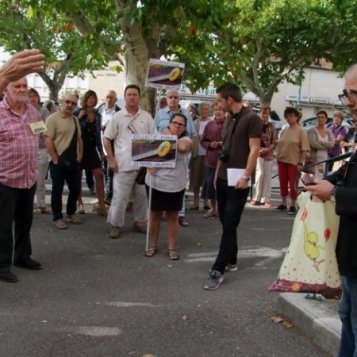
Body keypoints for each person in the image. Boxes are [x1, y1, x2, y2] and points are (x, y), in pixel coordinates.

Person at [305, 63, 357, 357]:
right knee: (347, 319)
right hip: (350, 255)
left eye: (355, 94)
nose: (349, 101)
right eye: (346, 94)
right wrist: (324, 181)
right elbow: (349, 169)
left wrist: (334, 192)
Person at [203, 83, 262, 290]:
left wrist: (246, 176)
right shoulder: (229, 118)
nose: (216, 104)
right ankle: (232, 259)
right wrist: (217, 173)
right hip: (223, 178)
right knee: (226, 221)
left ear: (229, 100)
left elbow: (255, 150)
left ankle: (218, 269)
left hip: (239, 180)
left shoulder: (252, 119)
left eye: (219, 100)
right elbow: (225, 149)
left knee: (229, 224)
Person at [0, 76, 44, 283]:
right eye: (17, 86)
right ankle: (2, 265)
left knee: (25, 222)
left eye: (25, 86)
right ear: (6, 89)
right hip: (5, 179)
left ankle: (22, 256)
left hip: (28, 177)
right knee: (3, 226)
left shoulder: (33, 112)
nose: (22, 89)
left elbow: (40, 135)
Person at [103, 84, 156, 239]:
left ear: (139, 97)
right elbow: (106, 139)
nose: (132, 97)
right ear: (125, 97)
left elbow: (154, 139)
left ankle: (139, 222)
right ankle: (115, 225)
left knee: (142, 198)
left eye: (135, 94)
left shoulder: (146, 117)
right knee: (119, 198)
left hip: (142, 167)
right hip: (122, 165)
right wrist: (111, 159)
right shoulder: (118, 117)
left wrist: (152, 163)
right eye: (129, 94)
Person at [144, 113, 192, 260]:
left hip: (175, 185)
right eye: (175, 123)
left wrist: (168, 136)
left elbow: (183, 148)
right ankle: (152, 245)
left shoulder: (186, 139)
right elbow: (145, 155)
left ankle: (171, 248)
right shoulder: (157, 136)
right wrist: (148, 166)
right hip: (155, 182)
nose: (177, 126)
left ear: (184, 128)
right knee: (155, 214)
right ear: (169, 123)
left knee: (173, 216)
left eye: (181, 124)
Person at [154, 90, 197, 227]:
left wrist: (192, 152)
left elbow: (193, 134)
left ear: (179, 99)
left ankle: (181, 214)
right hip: (162, 155)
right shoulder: (160, 114)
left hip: (182, 154)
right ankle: (159, 212)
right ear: (166, 99)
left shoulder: (186, 114)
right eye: (170, 97)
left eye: (176, 97)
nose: (173, 99)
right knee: (161, 182)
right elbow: (153, 132)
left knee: (180, 183)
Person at [45, 93, 83, 229]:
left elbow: (79, 139)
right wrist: (54, 158)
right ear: (62, 101)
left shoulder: (74, 120)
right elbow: (48, 139)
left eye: (73, 103)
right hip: (58, 161)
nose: (70, 105)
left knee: (75, 188)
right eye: (67, 102)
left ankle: (71, 212)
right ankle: (57, 217)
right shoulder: (52, 119)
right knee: (57, 190)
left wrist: (80, 156)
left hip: (73, 161)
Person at [74, 90, 106, 216]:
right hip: (80, 147)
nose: (92, 100)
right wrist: (79, 117)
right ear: (85, 99)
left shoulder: (98, 115)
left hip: (92, 149)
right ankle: (79, 203)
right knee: (77, 176)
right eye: (89, 98)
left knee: (99, 174)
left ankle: (101, 204)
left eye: (94, 98)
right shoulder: (77, 112)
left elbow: (98, 135)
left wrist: (101, 151)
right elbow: (72, 128)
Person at [276, 107, 310, 215]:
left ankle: (292, 204)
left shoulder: (301, 131)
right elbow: (279, 144)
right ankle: (283, 202)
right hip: (282, 160)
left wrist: (300, 162)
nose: (289, 118)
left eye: (291, 116)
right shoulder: (284, 130)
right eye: (287, 116)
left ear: (296, 117)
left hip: (294, 162)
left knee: (293, 183)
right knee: (282, 182)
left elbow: (304, 149)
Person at [200, 102, 226, 218]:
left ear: (225, 111)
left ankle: (223, 210)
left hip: (225, 162)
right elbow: (203, 141)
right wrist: (211, 144)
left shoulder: (230, 124)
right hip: (211, 160)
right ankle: (213, 208)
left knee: (224, 187)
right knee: (211, 186)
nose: (218, 112)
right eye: (216, 110)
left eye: (220, 109)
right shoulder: (209, 125)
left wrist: (222, 144)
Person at [28, 88, 51, 214]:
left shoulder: (44, 111)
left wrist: (31, 129)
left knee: (40, 179)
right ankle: (26, 205)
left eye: (34, 95)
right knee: (27, 179)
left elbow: (45, 129)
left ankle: (41, 204)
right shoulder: (23, 111)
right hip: (27, 149)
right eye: (29, 96)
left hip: (42, 148)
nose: (32, 98)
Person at [251, 106, 277, 207]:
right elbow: (253, 139)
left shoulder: (272, 126)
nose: (265, 115)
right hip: (258, 153)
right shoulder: (256, 125)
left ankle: (266, 199)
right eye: (263, 113)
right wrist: (258, 149)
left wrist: (268, 149)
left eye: (267, 114)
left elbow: (274, 142)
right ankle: (255, 197)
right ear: (260, 114)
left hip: (269, 154)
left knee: (267, 176)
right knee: (259, 175)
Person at [98, 90, 121, 204]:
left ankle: (109, 196)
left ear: (116, 100)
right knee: (102, 173)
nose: (109, 99)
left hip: (112, 148)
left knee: (110, 173)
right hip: (99, 147)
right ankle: (105, 194)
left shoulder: (119, 113)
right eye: (107, 97)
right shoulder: (99, 111)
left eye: (111, 97)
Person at [189, 102, 211, 210]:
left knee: (207, 179)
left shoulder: (212, 123)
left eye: (206, 109)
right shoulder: (194, 123)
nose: (204, 111)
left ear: (209, 110)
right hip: (196, 153)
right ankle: (195, 202)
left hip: (209, 154)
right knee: (196, 178)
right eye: (202, 109)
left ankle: (206, 202)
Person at [307, 110, 334, 179]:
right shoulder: (312, 130)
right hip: (314, 158)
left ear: (326, 119)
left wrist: (321, 142)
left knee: (321, 176)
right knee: (313, 177)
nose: (320, 119)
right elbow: (314, 144)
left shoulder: (328, 131)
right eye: (319, 117)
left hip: (324, 158)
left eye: (322, 117)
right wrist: (326, 146)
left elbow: (332, 144)